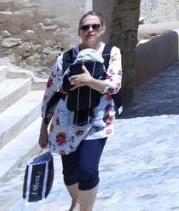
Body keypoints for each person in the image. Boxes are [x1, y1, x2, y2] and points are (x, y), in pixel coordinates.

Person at [39, 11, 122, 211]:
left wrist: (90, 81)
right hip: (65, 124)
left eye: (94, 26)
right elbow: (51, 94)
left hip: (97, 122)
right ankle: (76, 201)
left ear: (102, 29)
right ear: (79, 31)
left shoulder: (111, 54)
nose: (90, 30)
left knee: (87, 170)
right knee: (70, 173)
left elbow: (115, 85)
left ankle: (85, 209)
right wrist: (44, 128)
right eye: (85, 27)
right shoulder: (65, 59)